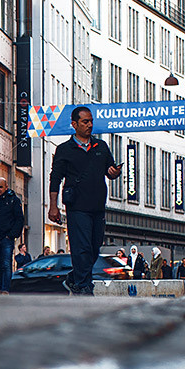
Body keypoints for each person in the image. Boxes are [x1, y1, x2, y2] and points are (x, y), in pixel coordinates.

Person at [46, 106, 122, 295]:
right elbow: (55, 178)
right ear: (74, 124)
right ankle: (83, 286)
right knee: (82, 248)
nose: (90, 125)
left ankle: (73, 278)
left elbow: (110, 171)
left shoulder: (101, 147)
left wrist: (114, 173)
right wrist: (53, 206)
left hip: (97, 205)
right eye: (85, 122)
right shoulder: (65, 149)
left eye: (91, 121)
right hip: (77, 206)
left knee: (94, 248)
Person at [0, 186, 26, 293]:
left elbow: (19, 219)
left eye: (0, 187)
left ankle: (5, 289)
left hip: (6, 238)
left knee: (6, 264)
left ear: (6, 187)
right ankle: (1, 287)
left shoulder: (13, 200)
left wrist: (12, 235)